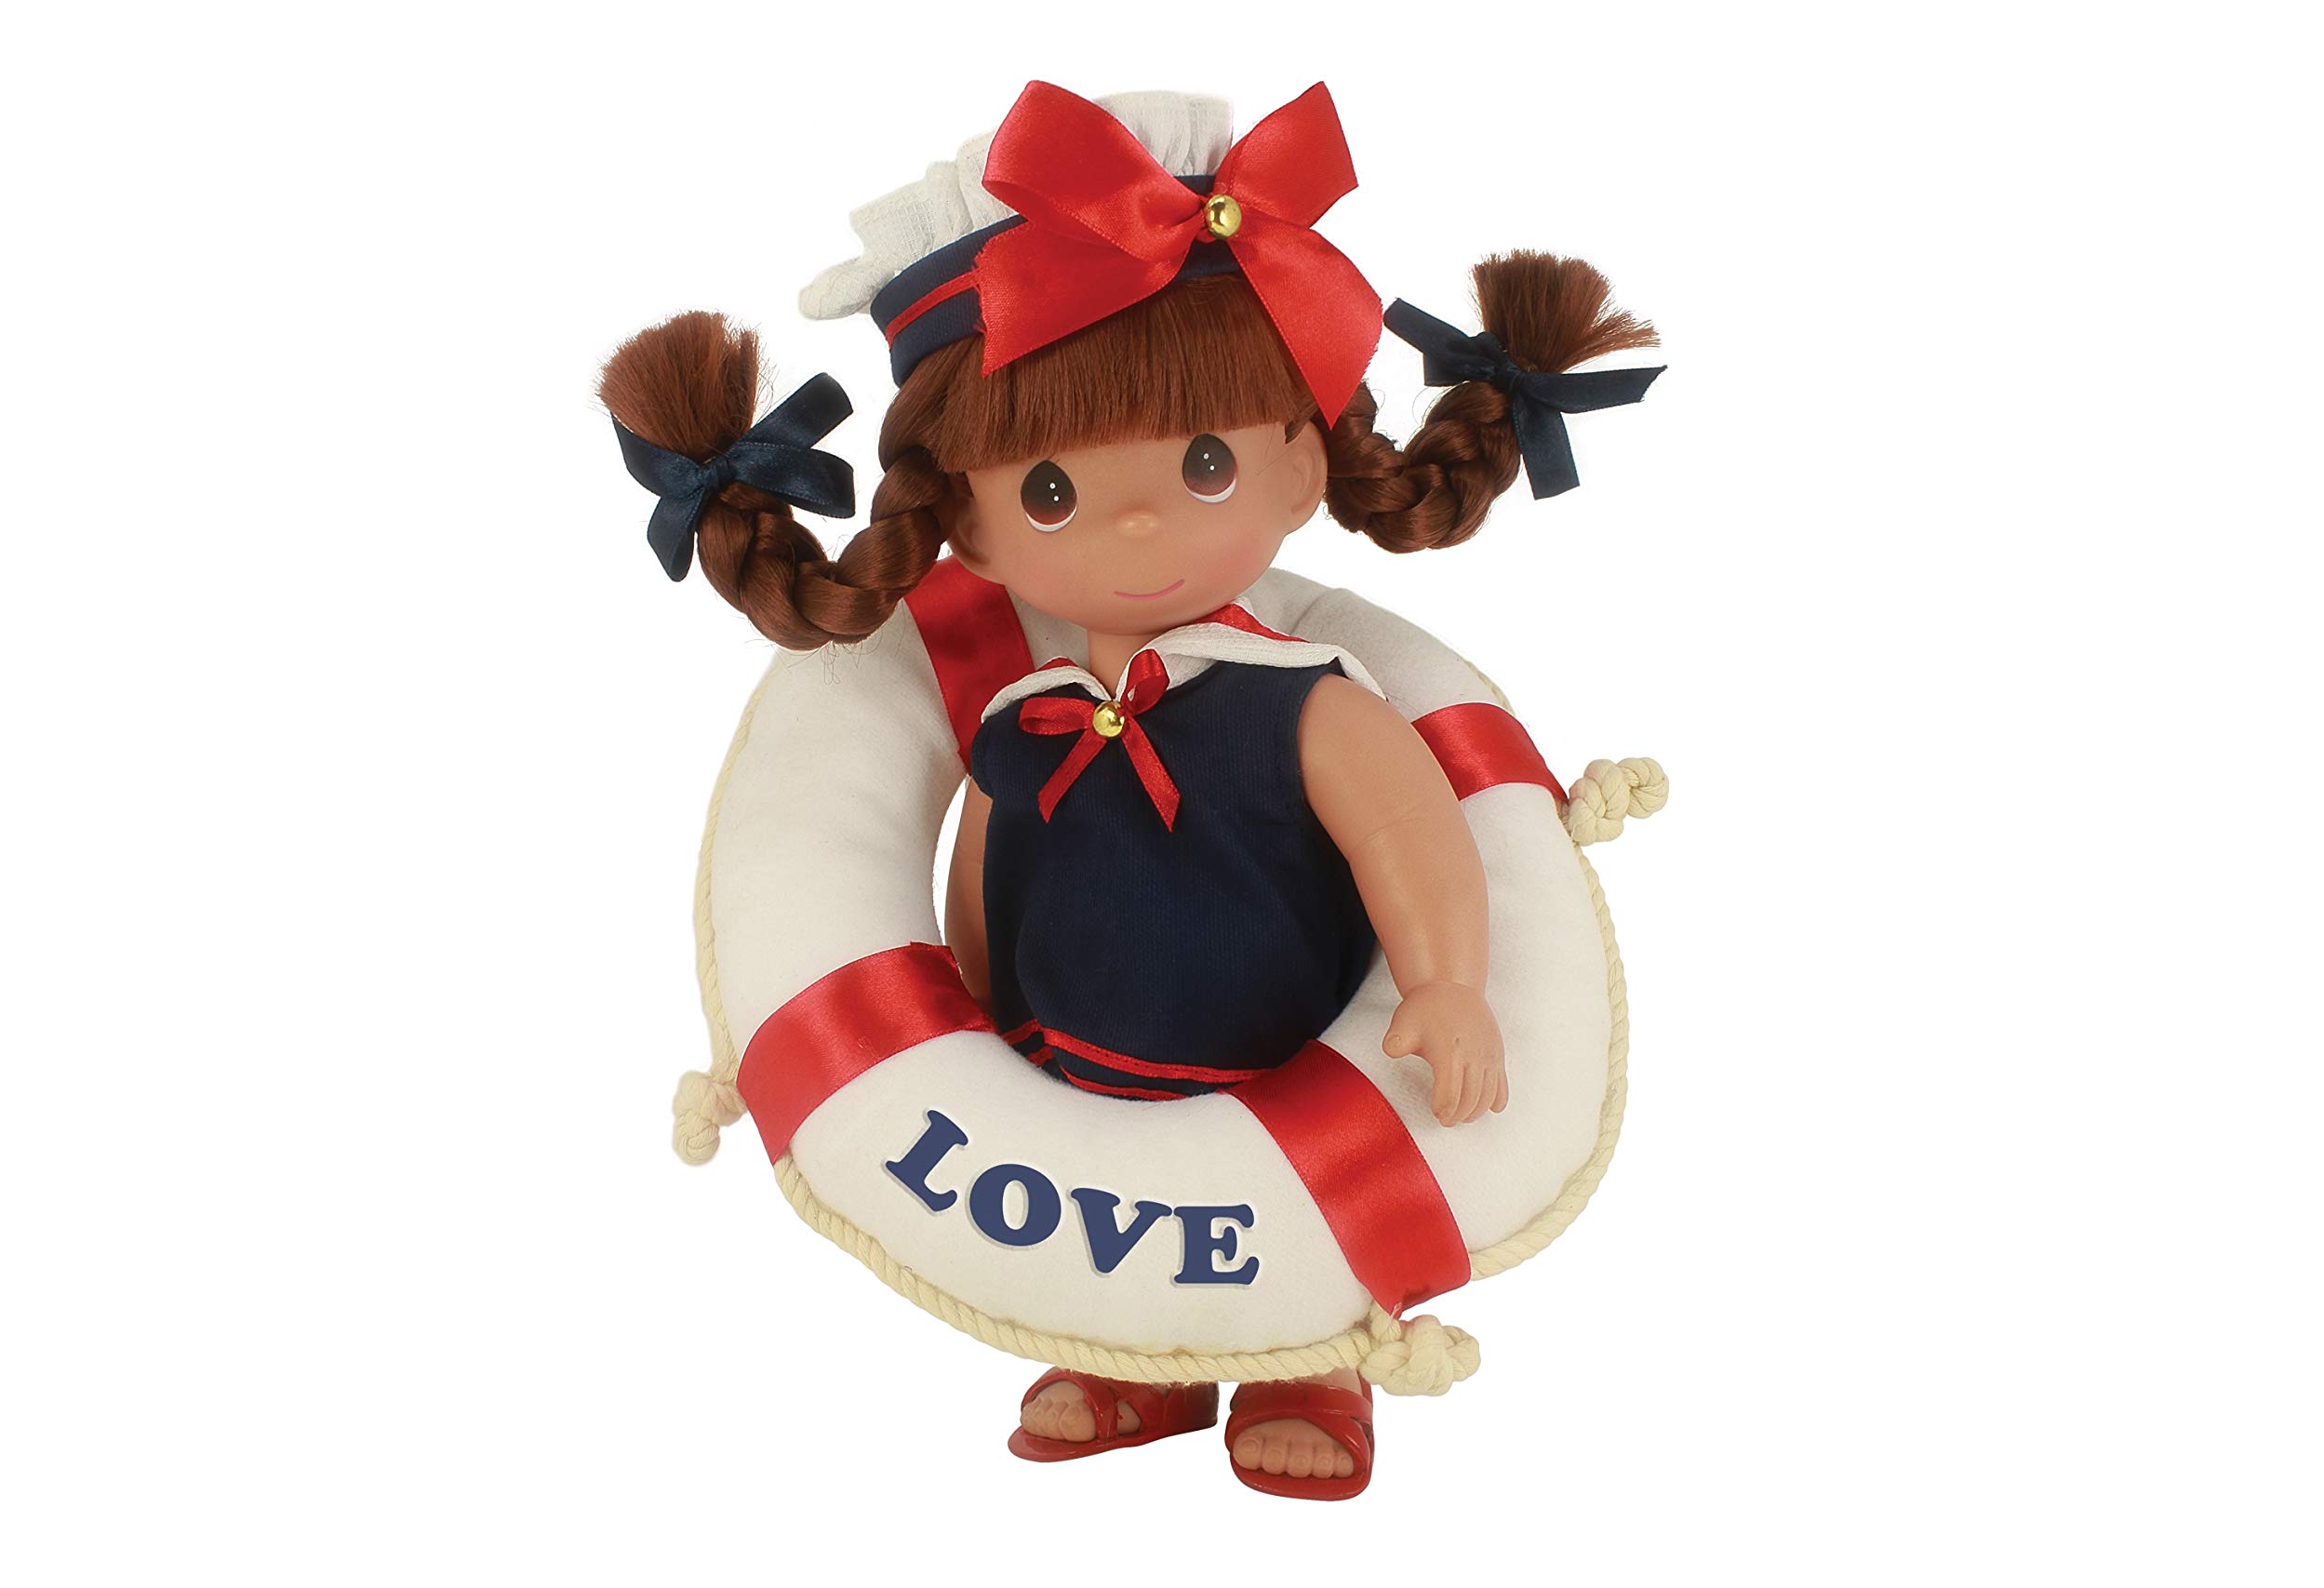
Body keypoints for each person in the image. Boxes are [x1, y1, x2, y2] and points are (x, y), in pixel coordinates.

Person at [599, 80, 1659, 1500]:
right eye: (1050, 491)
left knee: (1291, 1270)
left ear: (1301, 464)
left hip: (1290, 1075)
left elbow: (1410, 830)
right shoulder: (1023, 714)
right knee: (1113, 1268)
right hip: (1075, 1071)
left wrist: (1450, 984)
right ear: (967, 528)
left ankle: (1310, 1368)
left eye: (1205, 461)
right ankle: (1130, 1359)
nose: (1141, 517)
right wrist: (970, 1018)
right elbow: (982, 870)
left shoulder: (1308, 703)